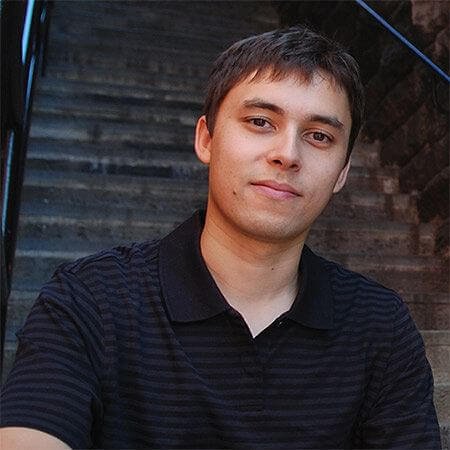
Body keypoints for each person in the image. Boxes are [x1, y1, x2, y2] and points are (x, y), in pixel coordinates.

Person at [0, 26, 441, 449]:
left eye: (319, 136)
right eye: (260, 121)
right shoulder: (89, 300)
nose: (287, 154)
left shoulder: (380, 327)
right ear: (206, 139)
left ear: (342, 172)